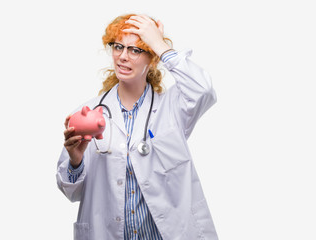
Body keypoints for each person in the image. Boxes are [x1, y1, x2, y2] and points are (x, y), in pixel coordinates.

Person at [56, 14, 218, 240]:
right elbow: (72, 192)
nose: (122, 57)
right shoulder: (89, 112)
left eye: (135, 50)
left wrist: (159, 45)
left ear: (152, 59)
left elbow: (203, 90)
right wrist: (75, 160)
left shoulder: (172, 108)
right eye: (118, 47)